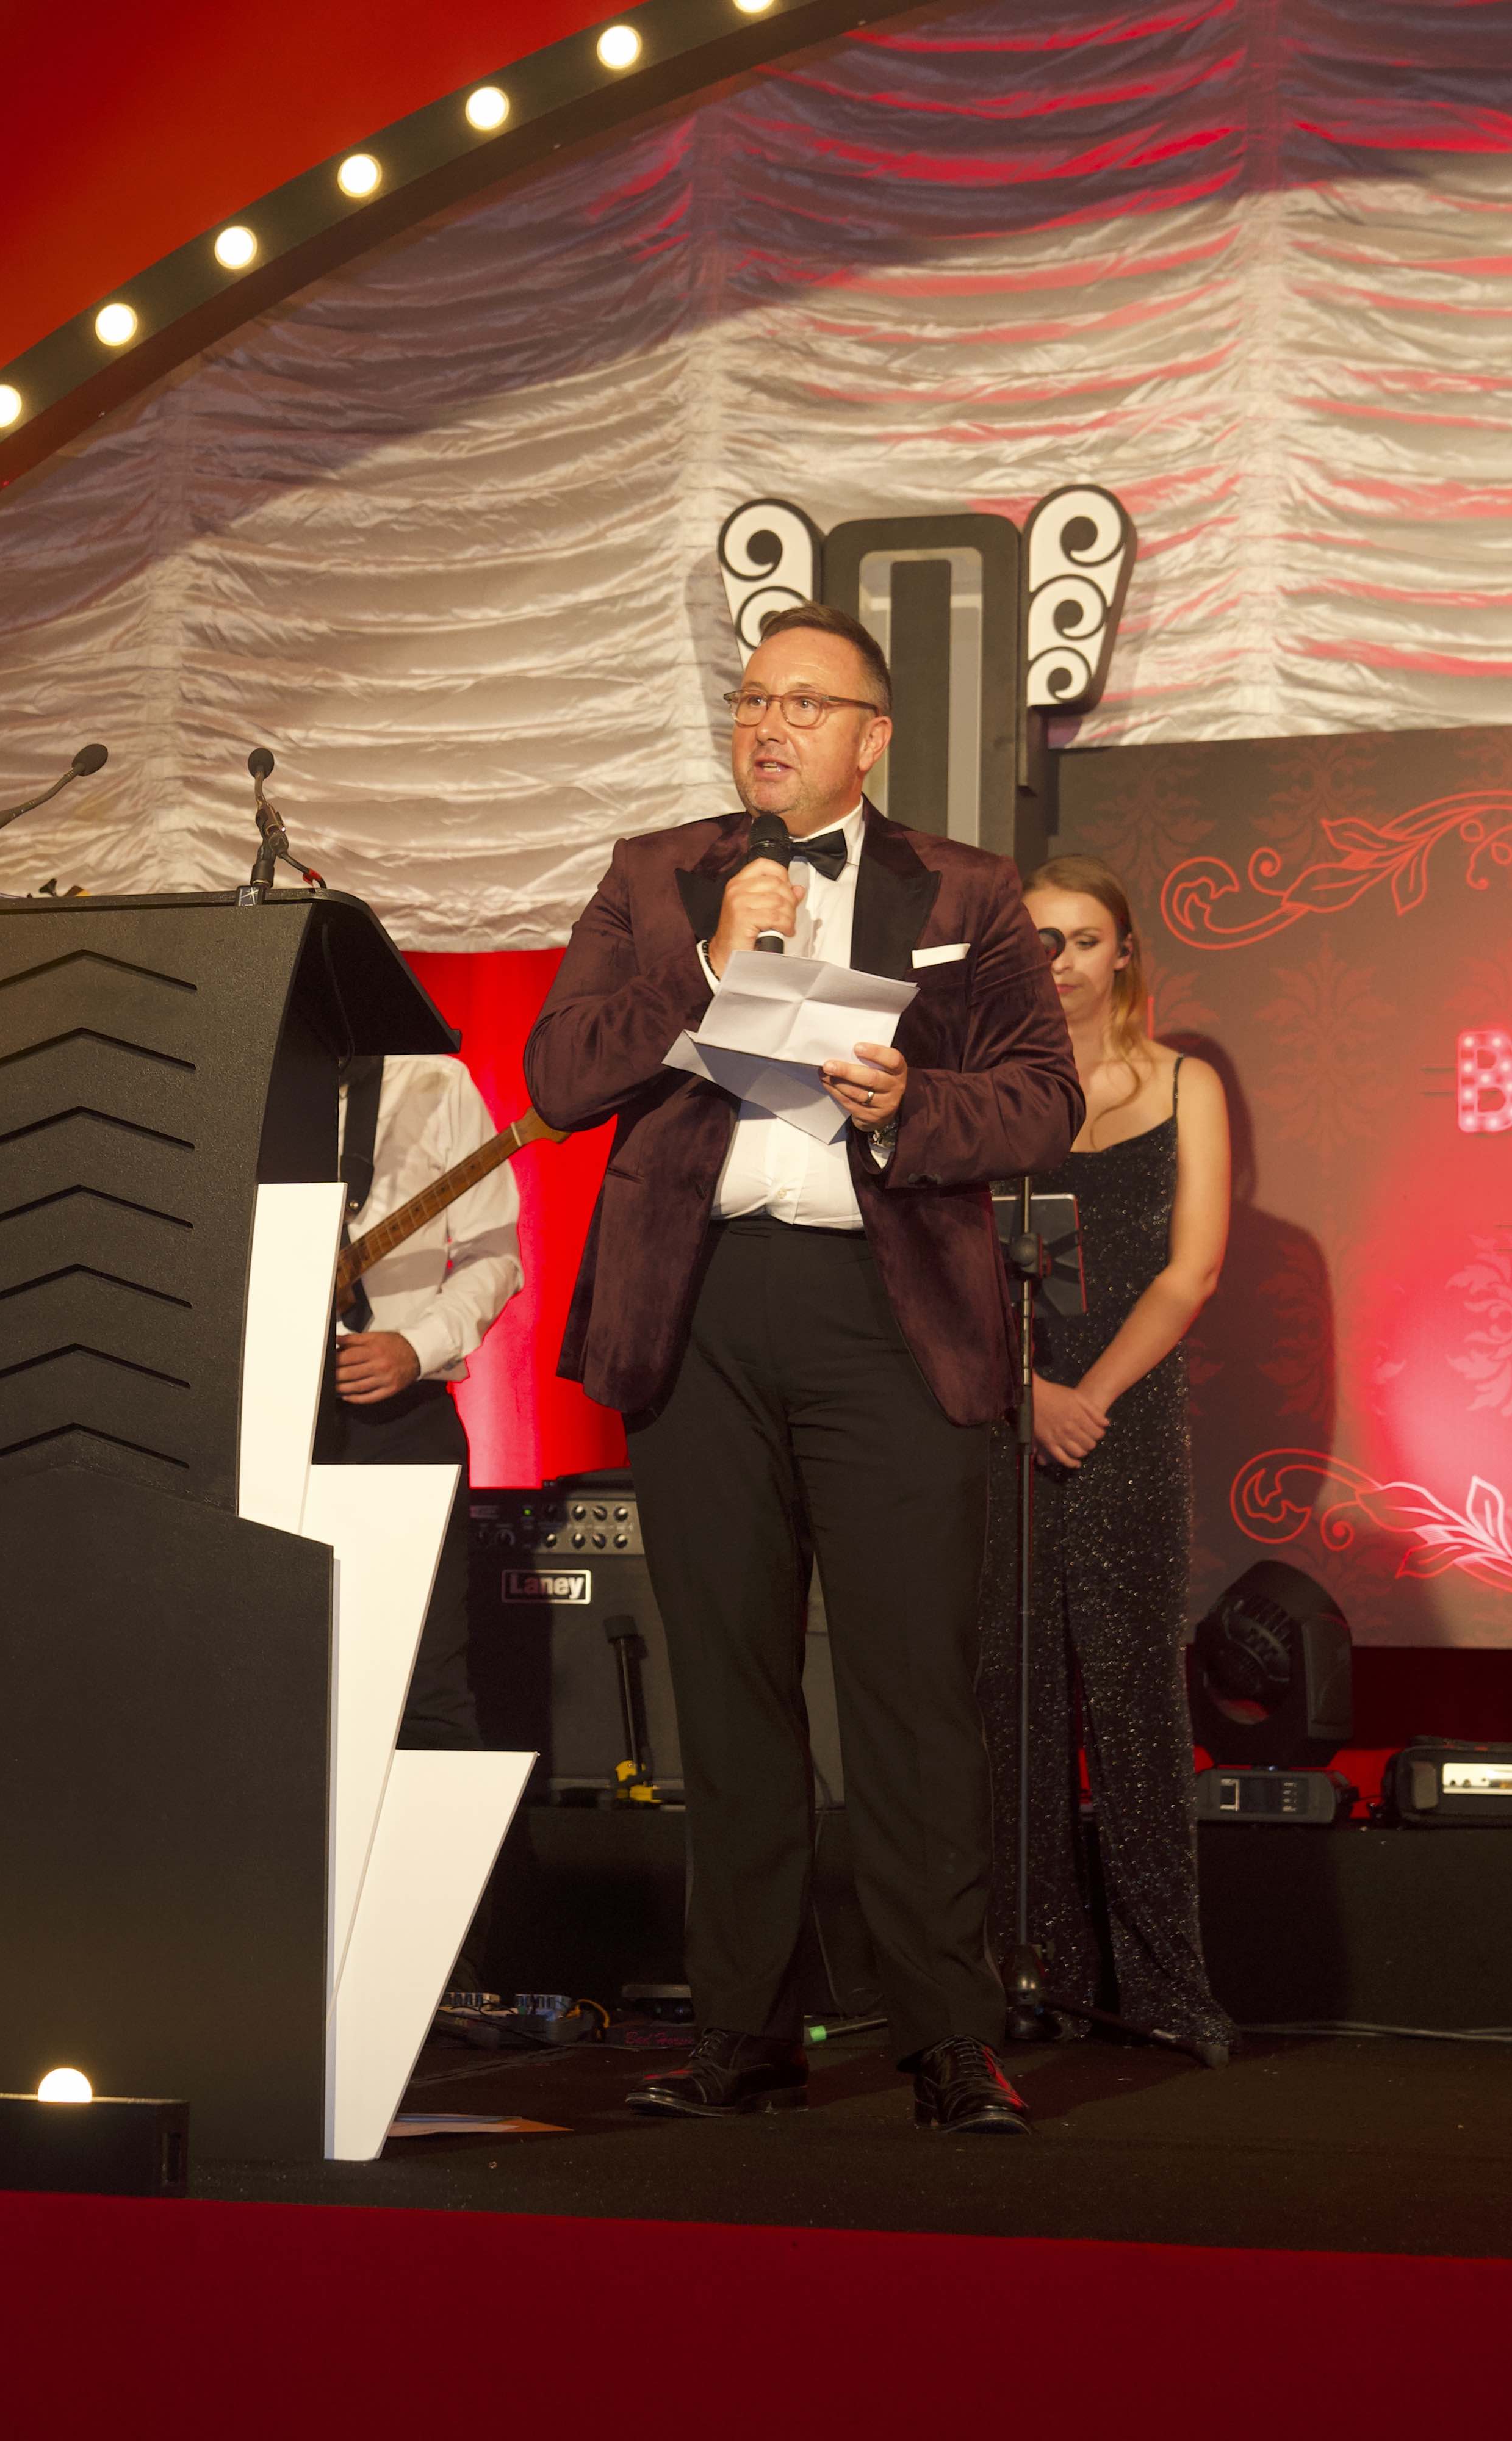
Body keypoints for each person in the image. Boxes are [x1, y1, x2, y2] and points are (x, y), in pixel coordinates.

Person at [525, 601, 1080, 2132]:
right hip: (699, 1310)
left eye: (805, 704)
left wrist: (914, 1104)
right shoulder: (658, 876)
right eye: (752, 700)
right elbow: (561, 1073)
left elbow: (1044, 1098)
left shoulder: (962, 889)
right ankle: (743, 2038)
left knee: (911, 1691)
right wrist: (707, 965)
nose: (768, 726)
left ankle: (947, 2036)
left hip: (887, 1314)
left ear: (871, 734)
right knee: (729, 1691)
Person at [977, 855, 1235, 2062]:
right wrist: (1027, 1392)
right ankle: (1036, 1977)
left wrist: (1089, 1396)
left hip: (1125, 1413)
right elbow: (943, 1270)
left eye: (1084, 939)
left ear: (1123, 952)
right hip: (1003, 1415)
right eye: (1040, 940)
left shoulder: (1186, 1083)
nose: (1062, 962)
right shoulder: (983, 1093)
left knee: (1135, 1705)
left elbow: (1192, 1269)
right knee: (1016, 1704)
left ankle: (1166, 1987)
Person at [322, 1053, 524, 1749]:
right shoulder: (229, 1074)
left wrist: (417, 1346)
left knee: (424, 1679)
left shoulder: (435, 1081)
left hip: (399, 1418)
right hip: (255, 1413)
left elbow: (494, 1252)